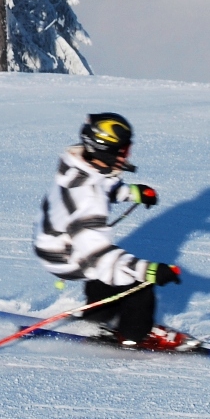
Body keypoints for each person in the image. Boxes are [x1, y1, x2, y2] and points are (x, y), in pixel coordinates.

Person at [33, 111, 183, 348]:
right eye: (123, 150)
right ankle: (135, 335)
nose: (127, 155)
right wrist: (149, 271)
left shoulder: (79, 165)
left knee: (111, 271)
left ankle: (98, 318)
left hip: (53, 240)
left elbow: (102, 181)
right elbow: (98, 255)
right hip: (64, 254)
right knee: (137, 283)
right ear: (106, 149)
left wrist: (131, 192)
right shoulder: (89, 198)